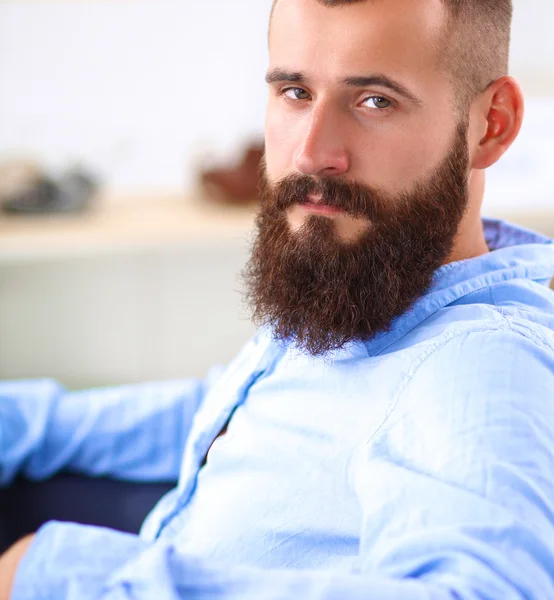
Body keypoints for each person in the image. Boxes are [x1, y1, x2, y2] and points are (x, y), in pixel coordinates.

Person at [2, 0, 554, 597]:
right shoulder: (377, 288)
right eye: (295, 92)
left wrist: (67, 576)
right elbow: (236, 413)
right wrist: (29, 422)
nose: (312, 153)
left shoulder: (478, 367)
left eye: (375, 101)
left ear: (491, 124)